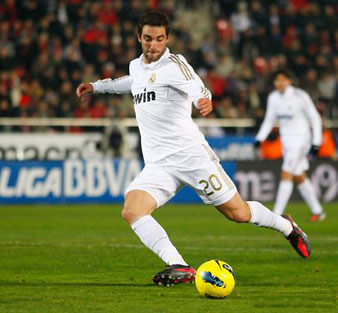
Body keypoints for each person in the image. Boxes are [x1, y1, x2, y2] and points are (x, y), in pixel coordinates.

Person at [75, 11, 311, 287]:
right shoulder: (136, 67)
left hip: (192, 156)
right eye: (148, 39)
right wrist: (96, 87)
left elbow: (198, 87)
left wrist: (203, 100)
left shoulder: (175, 64)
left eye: (160, 39)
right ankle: (179, 265)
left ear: (167, 39)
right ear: (139, 37)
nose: (154, 45)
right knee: (132, 209)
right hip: (159, 164)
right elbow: (129, 83)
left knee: (239, 214)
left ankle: (287, 227)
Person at [255, 70, 326, 222]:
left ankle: (275, 215)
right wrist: (260, 138)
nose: (279, 83)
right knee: (299, 176)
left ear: (289, 81)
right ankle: (318, 211)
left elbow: (315, 117)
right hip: (287, 142)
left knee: (286, 173)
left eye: (283, 80)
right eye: (277, 80)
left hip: (301, 141)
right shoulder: (273, 97)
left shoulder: (300, 96)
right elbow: (269, 119)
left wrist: (316, 142)